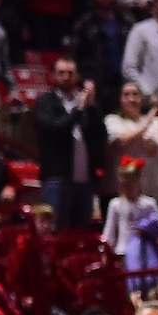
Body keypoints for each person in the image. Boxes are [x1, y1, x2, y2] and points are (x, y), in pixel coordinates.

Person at [30, 58, 105, 233]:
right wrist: (79, 109)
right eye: (61, 73)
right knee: (54, 230)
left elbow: (100, 134)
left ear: (78, 76)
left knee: (81, 234)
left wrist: (92, 107)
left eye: (70, 73)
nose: (66, 77)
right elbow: (54, 128)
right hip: (57, 179)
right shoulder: (46, 102)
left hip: (84, 181)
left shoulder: (86, 103)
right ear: (53, 76)